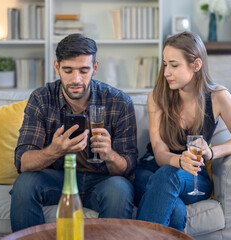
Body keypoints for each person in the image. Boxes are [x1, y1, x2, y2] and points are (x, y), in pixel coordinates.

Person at [10, 33, 138, 232]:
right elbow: (23, 162)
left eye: (84, 70)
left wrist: (109, 155)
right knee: (25, 184)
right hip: (59, 178)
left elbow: (127, 168)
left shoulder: (119, 102)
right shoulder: (41, 99)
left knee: (120, 189)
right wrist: (54, 150)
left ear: (95, 68)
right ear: (56, 67)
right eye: (68, 70)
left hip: (102, 180)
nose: (76, 79)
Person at [135, 31, 231, 231]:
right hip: (151, 170)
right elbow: (160, 152)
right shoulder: (157, 97)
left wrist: (212, 152)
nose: (166, 73)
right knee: (177, 208)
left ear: (196, 65)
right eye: (165, 64)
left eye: (174, 65)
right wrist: (179, 161)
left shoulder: (217, 96)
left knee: (169, 177)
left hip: (194, 178)